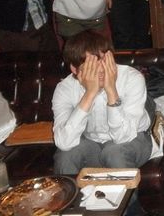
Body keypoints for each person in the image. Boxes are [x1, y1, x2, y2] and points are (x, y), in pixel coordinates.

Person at [52, 30, 152, 174]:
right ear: (74, 69)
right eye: (91, 66)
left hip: (134, 138)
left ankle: (127, 190)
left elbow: (123, 136)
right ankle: (72, 190)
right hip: (92, 143)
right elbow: (64, 142)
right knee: (66, 156)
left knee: (114, 153)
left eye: (103, 61)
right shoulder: (65, 88)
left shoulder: (131, 78)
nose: (100, 70)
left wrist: (111, 90)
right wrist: (89, 94)